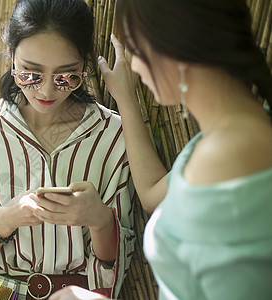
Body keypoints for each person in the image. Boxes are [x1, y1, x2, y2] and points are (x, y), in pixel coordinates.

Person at [51, 0, 272, 299]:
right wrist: (126, 98)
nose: (135, 66)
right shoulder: (235, 134)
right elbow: (153, 195)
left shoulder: (227, 156)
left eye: (135, 50)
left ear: (174, 48)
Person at [0, 0, 136, 299]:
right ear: (11, 57)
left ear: (85, 64)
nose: (46, 91)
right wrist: (8, 218)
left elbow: (118, 262)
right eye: (30, 74)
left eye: (65, 76)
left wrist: (100, 219)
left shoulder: (112, 135)